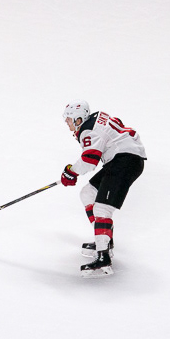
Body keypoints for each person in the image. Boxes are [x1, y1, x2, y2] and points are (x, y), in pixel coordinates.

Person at [61, 100, 147, 277]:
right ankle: (104, 241)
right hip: (122, 158)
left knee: (102, 208)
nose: (67, 123)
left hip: (125, 160)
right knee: (88, 193)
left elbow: (89, 161)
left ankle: (103, 258)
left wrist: (71, 171)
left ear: (79, 119)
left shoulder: (88, 130)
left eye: (69, 119)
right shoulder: (95, 120)